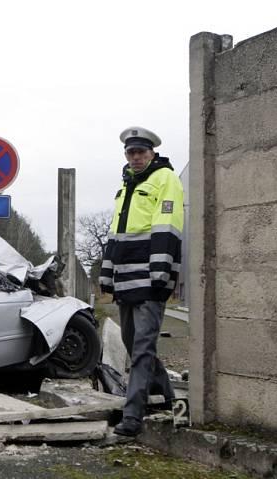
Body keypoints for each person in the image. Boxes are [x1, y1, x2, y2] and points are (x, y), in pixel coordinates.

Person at [99, 126, 184, 437]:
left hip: (151, 279)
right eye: (130, 153)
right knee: (133, 345)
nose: (135, 157)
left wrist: (162, 275)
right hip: (125, 281)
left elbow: (168, 229)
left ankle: (132, 415)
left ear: (152, 153)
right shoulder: (125, 188)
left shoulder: (166, 180)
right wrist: (106, 275)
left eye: (140, 152)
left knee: (143, 348)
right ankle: (172, 401)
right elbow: (114, 236)